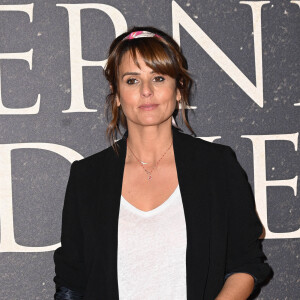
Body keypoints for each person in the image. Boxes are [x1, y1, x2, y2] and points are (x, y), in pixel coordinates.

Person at [53, 26, 271, 299]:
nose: (146, 91)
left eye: (158, 78)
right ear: (117, 93)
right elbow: (71, 283)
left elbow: (245, 263)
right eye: (132, 80)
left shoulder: (217, 166)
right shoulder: (87, 177)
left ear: (179, 89)